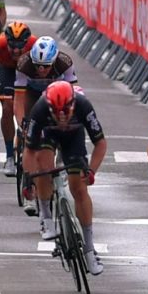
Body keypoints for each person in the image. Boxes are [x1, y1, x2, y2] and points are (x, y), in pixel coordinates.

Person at [25, 81, 108, 275]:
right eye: (57, 112)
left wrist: (91, 171)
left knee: (79, 189)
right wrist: (29, 180)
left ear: (73, 105)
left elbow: (101, 144)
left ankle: (89, 249)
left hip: (73, 137)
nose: (62, 117)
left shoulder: (83, 106)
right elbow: (29, 151)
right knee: (43, 166)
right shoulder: (40, 109)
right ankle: (46, 216)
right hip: (48, 134)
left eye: (66, 112)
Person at [0, 21, 35, 175]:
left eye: (20, 47)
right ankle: (10, 156)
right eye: (12, 46)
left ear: (27, 43)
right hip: (7, 71)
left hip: (28, 70)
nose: (16, 51)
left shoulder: (35, 45)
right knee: (7, 107)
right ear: (6, 42)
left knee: (31, 106)